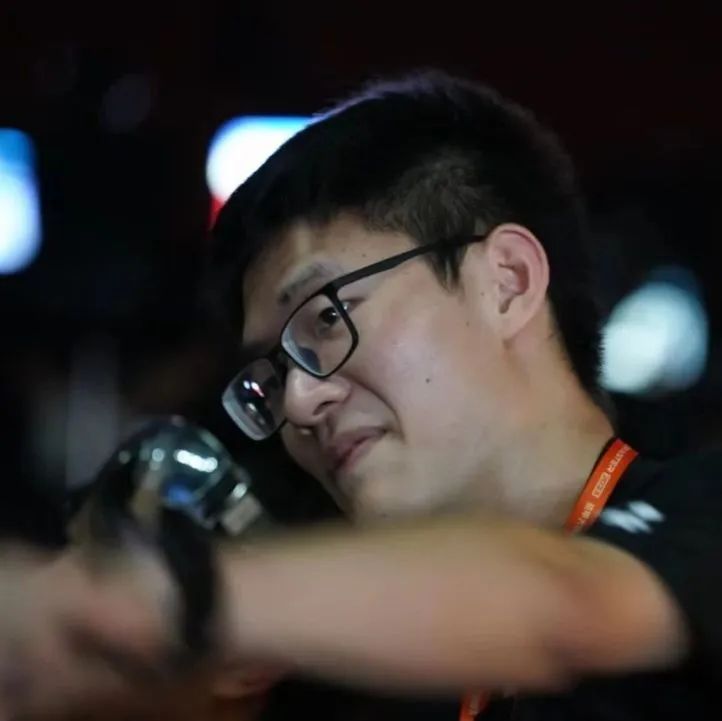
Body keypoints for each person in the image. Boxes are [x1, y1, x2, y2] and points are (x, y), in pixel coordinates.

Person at [1, 70, 719, 721]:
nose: (299, 403)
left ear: (507, 281)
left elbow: (566, 604)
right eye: (271, 375)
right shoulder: (343, 671)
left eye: (327, 319)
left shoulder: (700, 507)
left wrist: (141, 601)